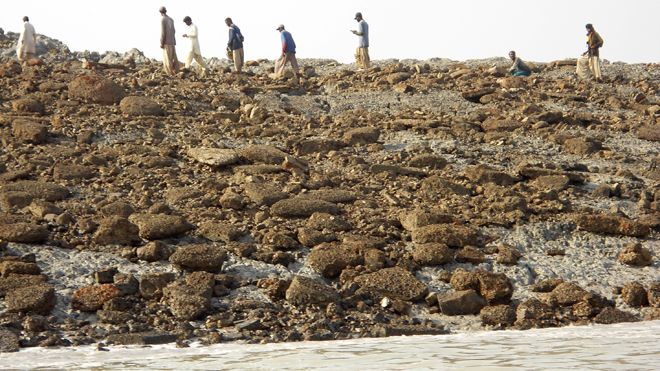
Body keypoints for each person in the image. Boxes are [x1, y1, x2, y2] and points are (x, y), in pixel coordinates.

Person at [159, 6, 180, 75]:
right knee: (173, 58)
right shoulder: (171, 19)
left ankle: (170, 73)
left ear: (160, 12)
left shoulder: (163, 20)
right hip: (172, 41)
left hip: (166, 42)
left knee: (167, 59)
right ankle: (177, 71)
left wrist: (161, 42)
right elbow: (174, 30)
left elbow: (163, 32)